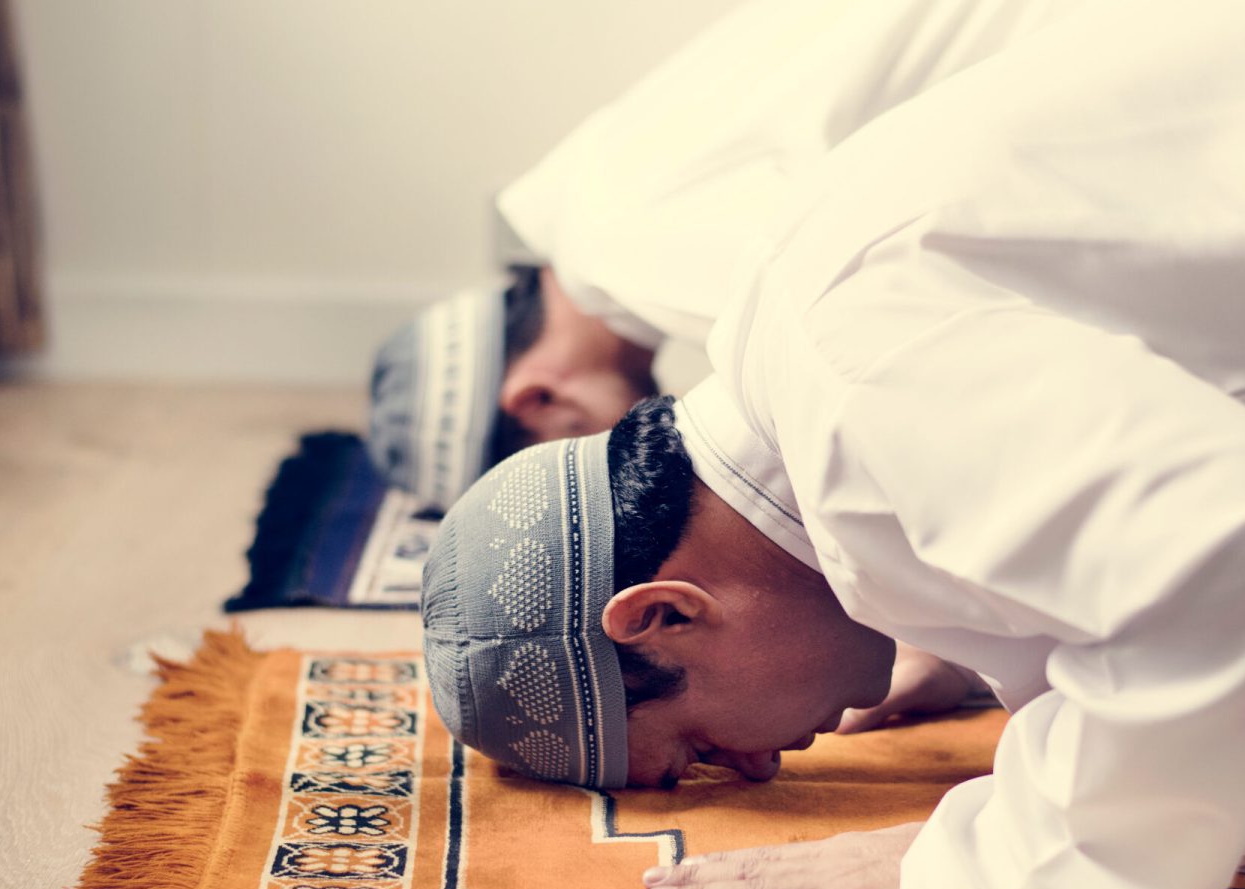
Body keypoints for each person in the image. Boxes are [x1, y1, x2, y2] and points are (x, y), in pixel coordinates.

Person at [420, 0, 1245, 889]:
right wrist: (973, 639)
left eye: (689, 750)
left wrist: (989, 860)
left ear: (665, 614)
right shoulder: (785, 351)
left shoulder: (856, 400)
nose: (754, 773)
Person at [363, 0, 1056, 512]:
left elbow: (901, 364)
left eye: (586, 466)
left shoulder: (630, 250)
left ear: (537, 397)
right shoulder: (588, 189)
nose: (627, 471)